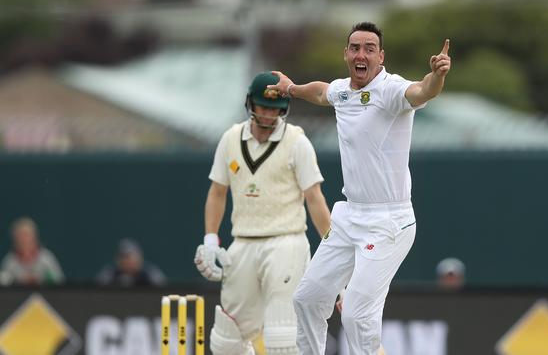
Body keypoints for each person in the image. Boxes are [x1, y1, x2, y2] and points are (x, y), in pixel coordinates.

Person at [268, 21, 452, 354]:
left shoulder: (391, 90)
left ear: (381, 57)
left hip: (389, 221)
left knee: (355, 313)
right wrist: (292, 88)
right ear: (346, 54)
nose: (361, 54)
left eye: (369, 48)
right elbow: (323, 92)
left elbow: (422, 91)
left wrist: (437, 76)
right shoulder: (343, 90)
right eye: (355, 48)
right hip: (349, 216)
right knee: (307, 299)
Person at [193, 71, 330, 355]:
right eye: (263, 107)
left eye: (275, 109)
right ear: (250, 104)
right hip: (242, 242)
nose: (268, 115)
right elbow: (217, 193)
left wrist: (333, 253)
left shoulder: (297, 142)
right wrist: (210, 239)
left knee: (283, 337)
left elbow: (314, 198)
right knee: (227, 339)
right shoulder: (230, 139)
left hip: (286, 242)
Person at [0, 216, 65, 285]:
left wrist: (40, 279)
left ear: (34, 237)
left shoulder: (46, 258)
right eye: (21, 237)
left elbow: (59, 280)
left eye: (26, 236)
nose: (24, 240)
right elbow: (4, 283)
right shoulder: (9, 261)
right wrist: (20, 280)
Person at [96, 238, 166, 286]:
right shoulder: (109, 274)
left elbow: (161, 286)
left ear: (139, 258)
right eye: (123, 257)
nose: (127, 261)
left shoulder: (150, 274)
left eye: (130, 257)